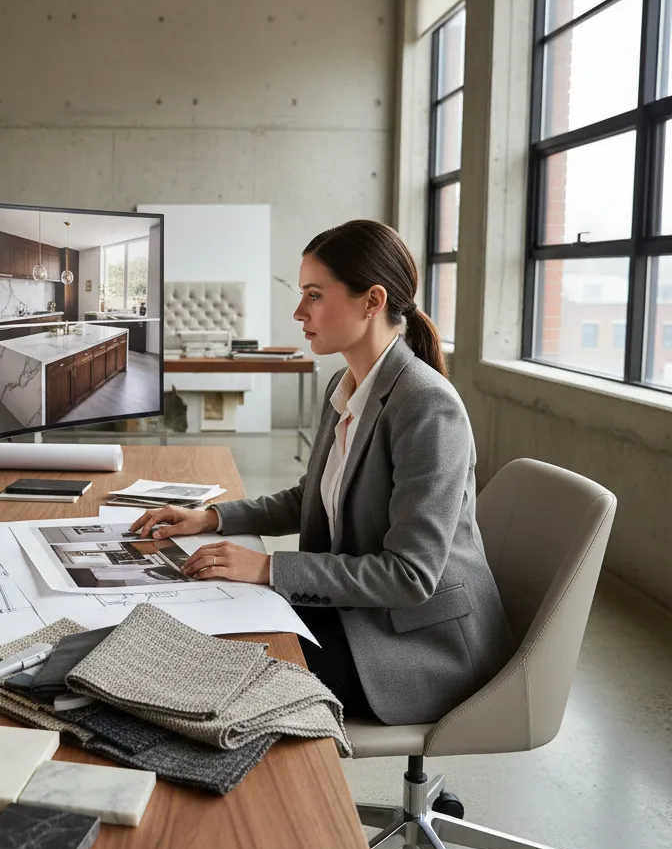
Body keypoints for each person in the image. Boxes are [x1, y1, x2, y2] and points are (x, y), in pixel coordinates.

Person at [130, 220, 513, 726]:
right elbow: (314, 494)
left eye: (314, 295)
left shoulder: (426, 407)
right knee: (207, 627)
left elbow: (410, 575)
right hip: (362, 612)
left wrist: (266, 568)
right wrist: (212, 518)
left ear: (371, 301)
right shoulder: (349, 382)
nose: (298, 313)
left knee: (218, 673)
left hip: (419, 644)